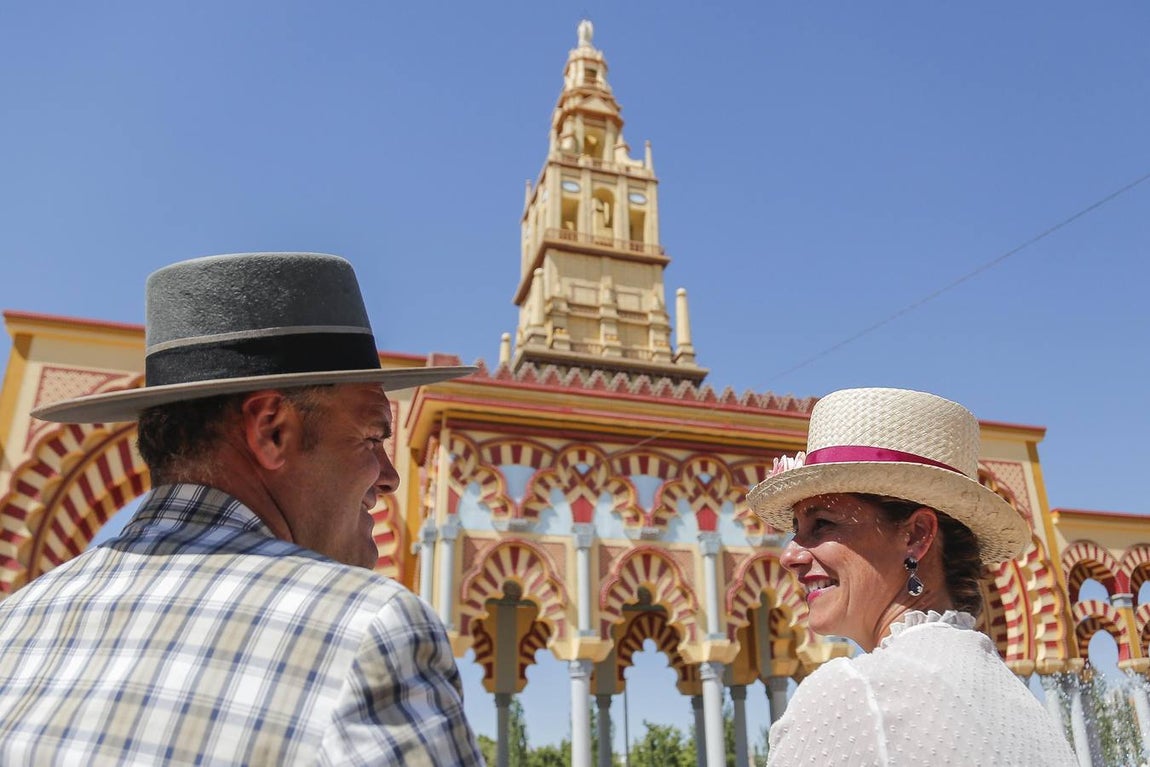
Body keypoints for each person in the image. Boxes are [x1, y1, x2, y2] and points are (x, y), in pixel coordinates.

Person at [0, 252, 485, 765]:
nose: (389, 478)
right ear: (272, 430)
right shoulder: (366, 630)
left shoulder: (12, 625)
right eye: (370, 437)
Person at [746, 387, 1078, 766]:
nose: (790, 555)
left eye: (822, 523)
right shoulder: (1025, 710)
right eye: (796, 528)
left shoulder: (854, 694)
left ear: (917, 535)